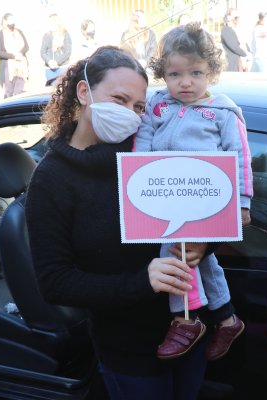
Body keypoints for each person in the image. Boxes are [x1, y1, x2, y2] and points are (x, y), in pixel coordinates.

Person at [26, 45, 211, 400]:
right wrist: (143, 281)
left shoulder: (151, 153)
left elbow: (201, 208)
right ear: (84, 92)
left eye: (139, 106)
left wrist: (204, 244)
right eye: (119, 99)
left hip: (191, 332)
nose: (130, 114)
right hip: (129, 351)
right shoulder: (51, 180)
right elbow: (56, 283)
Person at [137, 22, 252, 361]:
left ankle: (185, 318)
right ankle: (227, 318)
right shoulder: (156, 106)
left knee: (175, 252)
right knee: (203, 258)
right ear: (163, 75)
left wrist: (242, 203)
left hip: (207, 198)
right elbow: (141, 147)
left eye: (195, 72)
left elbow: (240, 157)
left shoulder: (223, 112)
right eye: (174, 74)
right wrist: (138, 187)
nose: (185, 82)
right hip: (164, 195)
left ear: (212, 71)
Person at [0, 13, 30, 98]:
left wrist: (20, 54)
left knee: (19, 91)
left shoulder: (19, 32)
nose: (12, 21)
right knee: (9, 92)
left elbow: (26, 46)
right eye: (10, 19)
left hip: (21, 65)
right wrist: (14, 56)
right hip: (8, 67)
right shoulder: (0, 34)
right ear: (5, 21)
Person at [40, 13, 72, 86]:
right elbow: (43, 52)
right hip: (50, 70)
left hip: (62, 68)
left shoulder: (65, 34)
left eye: (51, 22)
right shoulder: (47, 35)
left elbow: (68, 52)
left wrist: (57, 62)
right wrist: (49, 61)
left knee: (63, 90)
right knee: (53, 92)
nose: (50, 25)